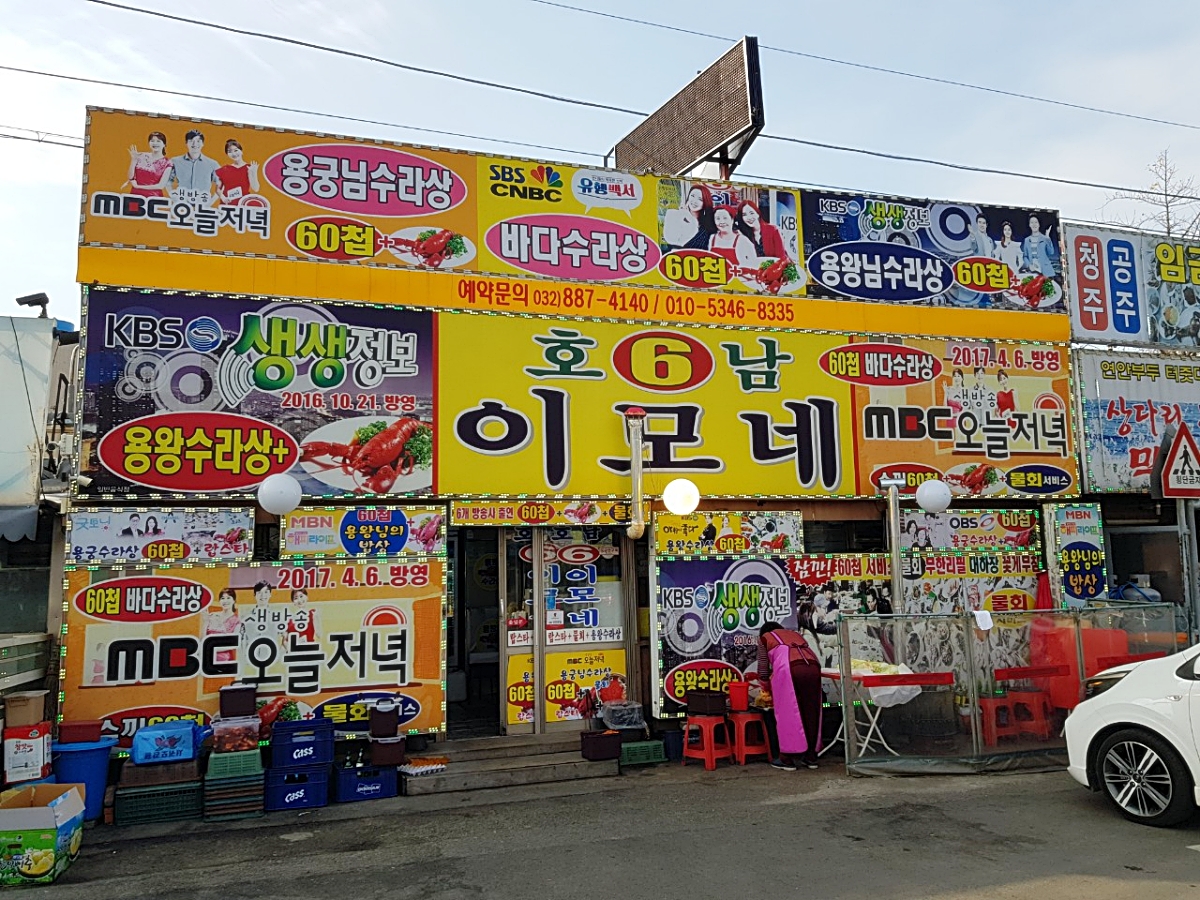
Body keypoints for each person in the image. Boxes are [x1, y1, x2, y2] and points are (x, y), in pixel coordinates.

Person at [757, 622, 822, 770]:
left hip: (790, 669)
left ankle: (786, 758)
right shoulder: (795, 635)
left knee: (787, 712)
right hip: (813, 667)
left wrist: (765, 687)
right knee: (811, 711)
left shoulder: (765, 638)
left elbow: (763, 668)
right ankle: (811, 757)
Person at [171, 129, 221, 199]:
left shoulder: (212, 164)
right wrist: (174, 198)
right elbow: (167, 181)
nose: (195, 144)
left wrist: (211, 201)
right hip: (182, 202)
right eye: (191, 141)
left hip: (203, 203)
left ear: (203, 143)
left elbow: (222, 183)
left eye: (198, 141)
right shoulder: (175, 161)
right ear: (186, 143)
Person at [662, 184, 715, 250]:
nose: (694, 201)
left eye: (700, 199)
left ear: (705, 203)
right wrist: (683, 215)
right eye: (692, 196)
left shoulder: (708, 226)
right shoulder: (676, 215)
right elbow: (672, 240)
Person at [125, 132, 173, 197]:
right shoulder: (140, 155)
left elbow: (161, 186)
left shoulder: (167, 162)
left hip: (153, 198)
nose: (155, 143)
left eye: (158, 141)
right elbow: (130, 177)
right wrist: (133, 160)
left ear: (164, 144)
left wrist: (138, 186)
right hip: (135, 195)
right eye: (152, 141)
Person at [215, 139, 260, 205]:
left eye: (236, 150)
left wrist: (254, 172)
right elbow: (218, 189)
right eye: (230, 151)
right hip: (227, 205)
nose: (233, 154)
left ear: (241, 151)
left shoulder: (248, 168)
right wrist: (223, 198)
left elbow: (256, 188)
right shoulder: (224, 169)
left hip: (243, 204)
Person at [205, 589, 241, 664]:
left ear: (234, 600)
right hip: (207, 657)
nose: (225, 601)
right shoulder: (212, 616)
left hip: (224, 660)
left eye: (228, 598)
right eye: (222, 598)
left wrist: (212, 648)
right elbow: (203, 636)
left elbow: (234, 643)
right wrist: (205, 621)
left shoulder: (237, 621)